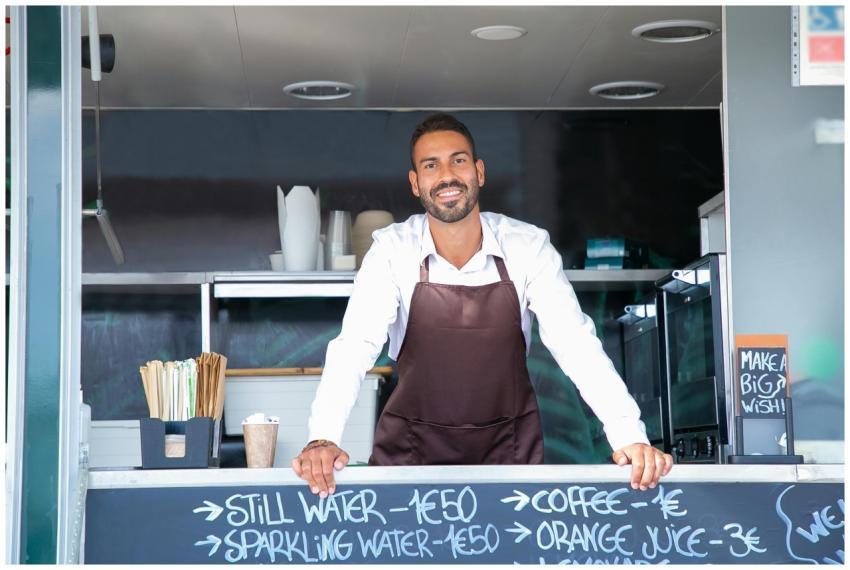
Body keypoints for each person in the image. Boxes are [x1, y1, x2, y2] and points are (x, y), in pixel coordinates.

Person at [291, 113, 673, 498]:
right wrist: (321, 437)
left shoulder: (526, 246)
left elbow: (575, 344)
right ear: (415, 183)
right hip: (408, 464)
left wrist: (628, 435)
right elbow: (353, 348)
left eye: (458, 160)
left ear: (479, 171)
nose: (447, 175)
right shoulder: (392, 250)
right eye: (430, 165)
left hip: (509, 463)